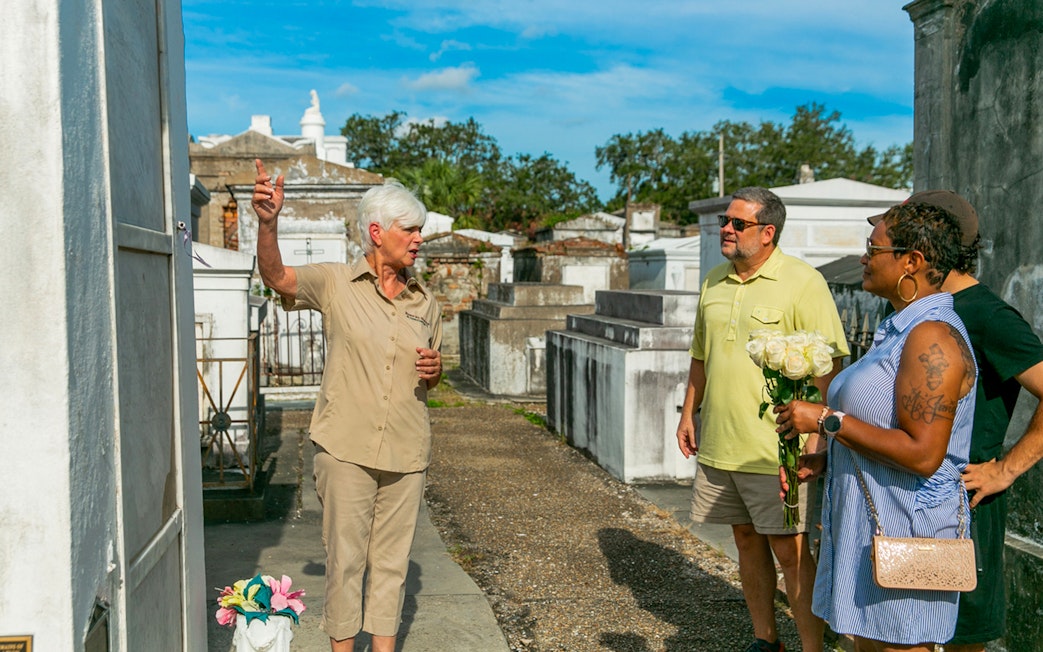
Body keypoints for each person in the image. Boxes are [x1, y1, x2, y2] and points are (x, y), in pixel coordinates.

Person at [251, 159, 443, 652]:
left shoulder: (427, 303)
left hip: (406, 450)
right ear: (378, 232)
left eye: (421, 230)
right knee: (345, 561)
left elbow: (432, 371)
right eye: (411, 230)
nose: (419, 239)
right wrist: (268, 224)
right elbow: (277, 277)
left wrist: (435, 372)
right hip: (344, 449)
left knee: (391, 564)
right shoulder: (336, 283)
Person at [775, 201, 977, 651]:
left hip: (908, 529)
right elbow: (878, 424)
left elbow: (924, 454)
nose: (864, 258)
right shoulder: (899, 329)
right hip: (871, 526)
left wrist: (827, 421)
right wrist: (827, 459)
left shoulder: (932, 337)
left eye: (874, 249)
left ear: (913, 262)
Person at [676, 186, 849, 652]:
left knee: (791, 553)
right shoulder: (714, 281)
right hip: (721, 444)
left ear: (768, 232)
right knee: (746, 540)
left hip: (778, 450)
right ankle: (765, 639)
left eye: (738, 223)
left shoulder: (803, 282)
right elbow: (700, 356)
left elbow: (829, 369)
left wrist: (819, 444)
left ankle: (812, 647)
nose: (726, 229)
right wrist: (688, 412)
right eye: (724, 222)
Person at [902, 191, 1043, 652]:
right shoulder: (914, 308)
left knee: (961, 639)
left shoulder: (987, 315)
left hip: (964, 501)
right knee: (904, 631)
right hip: (910, 496)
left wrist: (1005, 469)